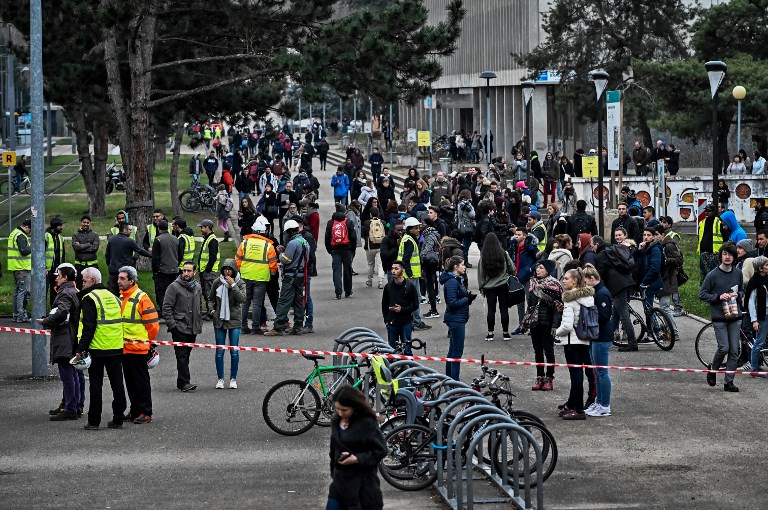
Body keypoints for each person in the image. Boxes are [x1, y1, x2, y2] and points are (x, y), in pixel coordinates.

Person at [76, 267, 127, 430]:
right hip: (116, 347)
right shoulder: (113, 297)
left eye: (84, 281)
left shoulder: (90, 298)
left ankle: (93, 421)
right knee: (117, 383)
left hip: (98, 348)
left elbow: (89, 327)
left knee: (96, 386)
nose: (82, 284)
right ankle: (119, 418)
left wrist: (81, 348)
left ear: (93, 281)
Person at [326, 386, 387, 510]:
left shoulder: (367, 423)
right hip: (340, 483)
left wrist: (358, 459)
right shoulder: (336, 421)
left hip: (362, 485)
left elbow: (381, 450)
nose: (340, 413)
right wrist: (334, 472)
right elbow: (333, 450)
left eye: (344, 410)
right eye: (337, 409)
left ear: (354, 406)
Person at [117, 266, 159, 424]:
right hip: (125, 348)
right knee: (130, 382)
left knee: (141, 382)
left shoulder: (141, 298)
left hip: (139, 349)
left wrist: (150, 344)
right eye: (119, 278)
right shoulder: (122, 297)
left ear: (131, 280)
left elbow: (153, 325)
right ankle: (135, 411)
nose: (119, 281)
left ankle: (146, 412)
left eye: (122, 278)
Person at [39, 263, 81, 421]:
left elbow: (62, 313)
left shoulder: (65, 293)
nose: (56, 277)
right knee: (73, 373)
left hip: (65, 337)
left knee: (67, 374)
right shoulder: (74, 290)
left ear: (65, 278)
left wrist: (46, 321)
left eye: (59, 275)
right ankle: (74, 406)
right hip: (72, 335)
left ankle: (70, 407)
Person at [700, 243, 743, 392]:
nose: (727, 257)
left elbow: (742, 291)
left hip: (735, 315)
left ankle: (728, 381)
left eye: (730, 254)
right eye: (725, 254)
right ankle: (713, 368)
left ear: (734, 257)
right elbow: (703, 294)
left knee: (734, 350)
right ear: (720, 256)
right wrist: (718, 297)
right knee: (724, 347)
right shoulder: (712, 275)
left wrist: (738, 295)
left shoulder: (738, 273)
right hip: (719, 315)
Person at [555, 268, 595, 420]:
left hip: (572, 341)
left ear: (575, 281)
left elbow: (567, 325)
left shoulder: (570, 299)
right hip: (584, 339)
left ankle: (578, 409)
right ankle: (572, 404)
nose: (563, 280)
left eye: (566, 278)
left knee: (576, 376)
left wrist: (556, 332)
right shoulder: (588, 297)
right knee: (579, 374)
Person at [163, 261, 203, 392]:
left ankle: (181, 382)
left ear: (194, 272)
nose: (186, 273)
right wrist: (173, 326)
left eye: (189, 271)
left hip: (192, 328)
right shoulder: (174, 287)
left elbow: (199, 306)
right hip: (179, 327)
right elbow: (166, 308)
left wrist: (199, 322)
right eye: (184, 270)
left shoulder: (197, 286)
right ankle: (185, 382)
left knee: (186, 354)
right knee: (182, 355)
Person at [265, 220, 309, 336]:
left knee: (284, 301)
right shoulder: (304, 241)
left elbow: (286, 260)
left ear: (289, 231)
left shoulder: (293, 243)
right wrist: (286, 251)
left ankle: (278, 327)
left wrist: (280, 254)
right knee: (298, 302)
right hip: (300, 276)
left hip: (290, 276)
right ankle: (298, 326)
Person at [236, 216, 278, 335]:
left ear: (253, 231)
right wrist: (272, 274)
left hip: (246, 276)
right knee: (257, 304)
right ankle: (255, 327)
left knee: (245, 302)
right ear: (263, 232)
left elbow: (238, 260)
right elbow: (273, 264)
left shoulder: (245, 243)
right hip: (261, 278)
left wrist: (241, 271)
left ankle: (243, 326)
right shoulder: (268, 246)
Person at [208, 259, 246, 389]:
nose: (227, 272)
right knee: (220, 350)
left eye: (229, 269)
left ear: (234, 270)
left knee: (234, 351)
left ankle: (233, 379)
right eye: (225, 269)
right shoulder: (217, 282)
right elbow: (210, 298)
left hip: (234, 319)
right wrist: (212, 311)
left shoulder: (240, 283)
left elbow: (242, 299)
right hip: (219, 320)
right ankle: (220, 379)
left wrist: (234, 286)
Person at [527, 260, 563, 392]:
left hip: (547, 323)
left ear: (547, 270)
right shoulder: (533, 283)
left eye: (541, 268)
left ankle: (549, 378)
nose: (538, 270)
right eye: (537, 267)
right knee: (537, 351)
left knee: (549, 350)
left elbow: (557, 308)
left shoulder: (554, 285)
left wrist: (555, 324)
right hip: (535, 323)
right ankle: (539, 377)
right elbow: (530, 304)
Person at [583, 264, 613, 417]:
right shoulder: (597, 292)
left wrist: (588, 318)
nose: (585, 285)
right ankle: (599, 402)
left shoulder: (601, 293)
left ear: (592, 279)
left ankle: (604, 405)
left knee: (602, 372)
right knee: (597, 371)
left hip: (602, 337)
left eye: (586, 282)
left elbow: (604, 315)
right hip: (596, 336)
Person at [440, 256, 476, 380]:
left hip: (457, 318)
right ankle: (455, 384)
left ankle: (449, 381)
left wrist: (467, 298)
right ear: (455, 267)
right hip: (456, 319)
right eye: (462, 265)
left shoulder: (456, 280)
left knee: (452, 351)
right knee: (456, 353)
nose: (464, 267)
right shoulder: (452, 282)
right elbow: (452, 303)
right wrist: (468, 299)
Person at [478, 233, 514, 341]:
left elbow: (481, 273)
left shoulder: (483, 256)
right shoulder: (503, 253)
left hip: (489, 287)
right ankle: (506, 333)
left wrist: (481, 286)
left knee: (491, 310)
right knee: (504, 309)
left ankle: (490, 333)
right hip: (503, 284)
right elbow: (511, 267)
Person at [381, 260, 420, 355]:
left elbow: (415, 305)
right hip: (392, 323)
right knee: (392, 351)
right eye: (392, 269)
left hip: (405, 323)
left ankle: (409, 369)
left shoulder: (409, 286)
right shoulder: (388, 287)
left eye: (396, 268)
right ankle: (393, 369)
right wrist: (386, 320)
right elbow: (384, 304)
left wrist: (402, 310)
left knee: (407, 350)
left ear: (402, 270)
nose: (393, 271)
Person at [399, 217, 430, 330]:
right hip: (410, 276)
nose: (418, 230)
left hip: (410, 275)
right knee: (414, 298)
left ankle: (412, 321)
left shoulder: (407, 239)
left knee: (410, 298)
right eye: (416, 228)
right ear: (409, 229)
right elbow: (406, 260)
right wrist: (410, 272)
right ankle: (416, 321)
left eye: (418, 227)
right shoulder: (409, 241)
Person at [105, 222, 151, 295]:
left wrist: (110, 265)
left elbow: (107, 255)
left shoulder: (112, 239)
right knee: (125, 293)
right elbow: (140, 251)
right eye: (129, 230)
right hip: (125, 271)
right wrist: (152, 255)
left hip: (113, 271)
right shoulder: (129, 241)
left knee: (113, 293)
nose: (131, 231)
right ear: (124, 230)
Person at [510, 226, 540, 335]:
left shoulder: (530, 247)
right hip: (517, 276)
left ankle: (531, 325)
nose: (516, 237)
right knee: (519, 302)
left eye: (519, 235)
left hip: (528, 277)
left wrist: (530, 269)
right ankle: (522, 325)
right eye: (516, 235)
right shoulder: (513, 246)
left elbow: (538, 258)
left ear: (525, 235)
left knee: (530, 301)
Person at [326, 204, 357, 299]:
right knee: (347, 270)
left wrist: (329, 250)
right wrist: (353, 249)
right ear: (344, 211)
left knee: (336, 271)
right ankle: (348, 291)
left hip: (335, 249)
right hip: (347, 249)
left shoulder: (331, 222)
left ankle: (338, 293)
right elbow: (353, 237)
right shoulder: (348, 222)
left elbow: (327, 237)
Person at [745, 256, 768, 377]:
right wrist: (754, 320)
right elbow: (751, 303)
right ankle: (754, 368)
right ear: (760, 268)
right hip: (762, 316)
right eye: (767, 265)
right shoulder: (755, 282)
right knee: (759, 342)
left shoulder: (766, 279)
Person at [8, 219, 32, 322]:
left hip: (16, 267)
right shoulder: (20, 235)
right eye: (30, 230)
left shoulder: (14, 233)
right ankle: (21, 315)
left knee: (17, 292)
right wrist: (34, 246)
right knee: (23, 292)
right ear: (26, 227)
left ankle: (16, 314)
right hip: (22, 267)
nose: (30, 232)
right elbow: (24, 251)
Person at [196, 219, 220, 318]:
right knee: (206, 293)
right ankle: (209, 312)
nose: (201, 229)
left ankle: (212, 313)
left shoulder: (212, 240)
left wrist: (207, 269)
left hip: (209, 272)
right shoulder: (208, 238)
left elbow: (212, 257)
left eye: (202, 227)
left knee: (210, 293)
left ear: (207, 227)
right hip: (205, 271)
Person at [72, 215, 100, 290]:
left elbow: (94, 248)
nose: (85, 224)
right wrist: (88, 245)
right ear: (81, 223)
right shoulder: (75, 235)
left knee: (93, 285)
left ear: (90, 224)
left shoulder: (95, 235)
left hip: (92, 265)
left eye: (87, 223)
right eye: (84, 222)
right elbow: (76, 248)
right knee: (78, 286)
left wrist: (80, 247)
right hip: (79, 266)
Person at [698, 204, 724, 279]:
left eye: (709, 211)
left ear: (714, 212)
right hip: (703, 252)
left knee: (714, 273)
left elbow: (724, 237)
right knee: (703, 273)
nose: (706, 212)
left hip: (714, 253)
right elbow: (699, 237)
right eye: (706, 211)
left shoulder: (719, 222)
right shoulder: (702, 223)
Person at [45, 217, 67, 307]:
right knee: (43, 292)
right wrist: (43, 267)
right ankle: (40, 311)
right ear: (55, 226)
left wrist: (63, 268)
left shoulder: (60, 238)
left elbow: (63, 254)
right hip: (46, 270)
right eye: (60, 225)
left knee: (55, 291)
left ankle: (53, 311)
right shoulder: (46, 236)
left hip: (57, 270)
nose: (62, 227)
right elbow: (40, 253)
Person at [363, 207, 386, 289]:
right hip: (380, 246)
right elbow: (388, 227)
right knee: (380, 264)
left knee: (370, 264)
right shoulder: (383, 222)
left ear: (370, 214)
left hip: (370, 247)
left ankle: (369, 280)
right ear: (378, 213)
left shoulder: (366, 223)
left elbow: (364, 234)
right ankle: (380, 282)